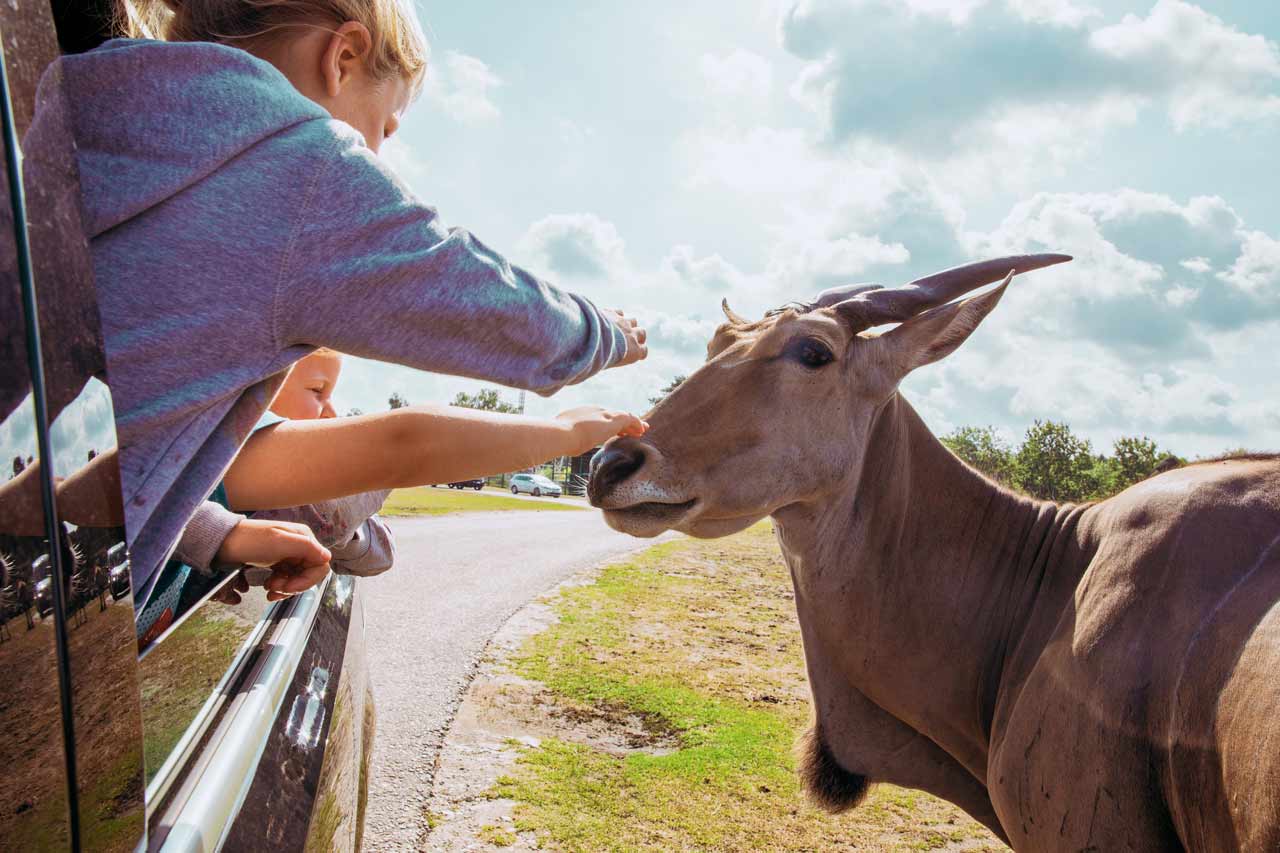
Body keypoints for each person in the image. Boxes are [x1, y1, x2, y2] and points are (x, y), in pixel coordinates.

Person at [27, 0, 649, 598]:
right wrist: (606, 334)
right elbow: (485, 301)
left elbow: (116, 428)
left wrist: (214, 530)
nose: (377, 152)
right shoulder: (299, 168)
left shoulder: (57, 101)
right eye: (383, 126)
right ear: (342, 57)